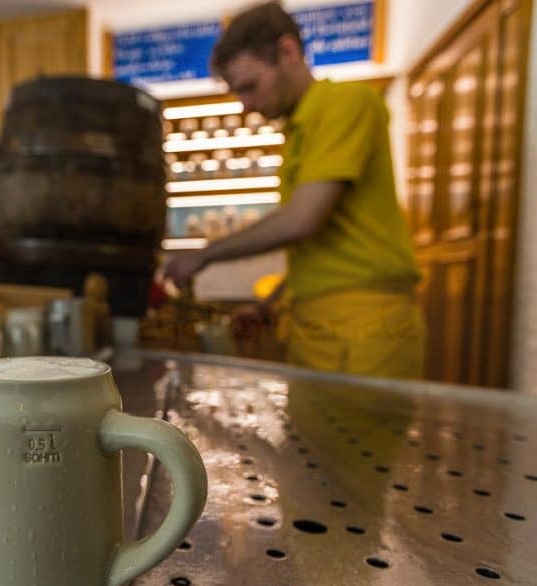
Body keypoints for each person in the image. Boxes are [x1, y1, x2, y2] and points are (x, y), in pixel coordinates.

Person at [166, 1, 425, 379]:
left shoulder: (347, 102)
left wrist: (204, 255)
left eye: (251, 86)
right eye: (239, 93)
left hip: (365, 326)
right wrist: (268, 306)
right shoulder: (297, 131)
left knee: (354, 438)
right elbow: (322, 249)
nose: (247, 104)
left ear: (288, 51)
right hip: (317, 323)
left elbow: (303, 220)